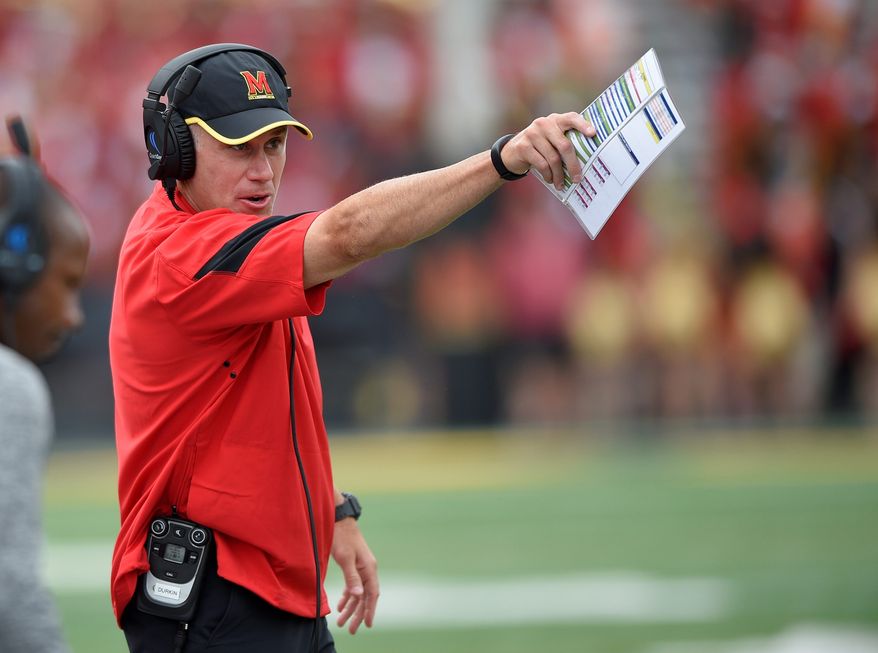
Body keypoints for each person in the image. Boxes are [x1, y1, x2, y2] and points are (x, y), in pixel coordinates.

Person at [110, 43, 594, 653]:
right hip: (213, 597)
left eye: (274, 145)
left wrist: (331, 509)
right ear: (173, 149)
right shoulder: (178, 255)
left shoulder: (230, 244)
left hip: (260, 590)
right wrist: (503, 160)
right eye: (239, 147)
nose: (263, 170)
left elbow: (254, 408)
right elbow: (349, 233)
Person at [0, 116, 90, 653]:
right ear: (15, 263)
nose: (76, 316)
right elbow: (11, 594)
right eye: (67, 284)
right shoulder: (11, 390)